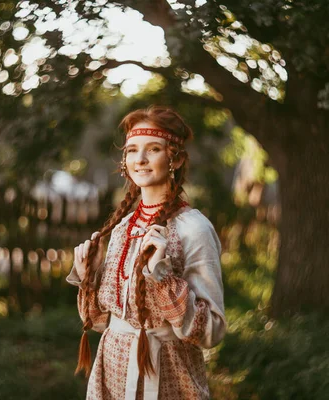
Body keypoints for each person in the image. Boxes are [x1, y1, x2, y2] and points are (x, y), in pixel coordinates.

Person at [66, 105, 226, 400]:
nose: (140, 159)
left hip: (168, 373)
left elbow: (211, 333)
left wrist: (163, 280)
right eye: (131, 150)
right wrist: (90, 278)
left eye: (152, 149)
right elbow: (102, 322)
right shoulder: (121, 228)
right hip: (111, 370)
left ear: (174, 159)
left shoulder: (195, 229)